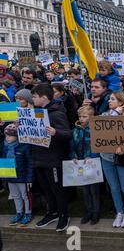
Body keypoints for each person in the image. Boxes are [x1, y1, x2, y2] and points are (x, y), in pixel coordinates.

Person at [31, 84, 72, 232]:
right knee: (46, 189)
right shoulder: (35, 113)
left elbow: (67, 134)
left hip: (53, 159)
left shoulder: (57, 113)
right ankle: (52, 212)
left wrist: (56, 132)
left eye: (35, 96)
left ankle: (63, 215)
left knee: (57, 189)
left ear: (44, 97)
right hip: (38, 158)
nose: (33, 99)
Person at [100, 91, 124, 228]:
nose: (109, 101)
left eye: (113, 99)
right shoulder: (105, 115)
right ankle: (119, 212)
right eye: (109, 99)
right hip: (106, 157)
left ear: (121, 102)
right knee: (114, 187)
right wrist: (115, 114)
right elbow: (104, 128)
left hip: (122, 157)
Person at [69, 105, 101, 225]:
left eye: (84, 116)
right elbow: (71, 146)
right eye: (80, 116)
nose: (81, 119)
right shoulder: (75, 130)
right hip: (80, 164)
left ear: (91, 117)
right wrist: (73, 156)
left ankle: (96, 212)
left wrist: (91, 156)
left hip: (92, 163)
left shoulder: (95, 129)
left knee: (94, 189)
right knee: (85, 190)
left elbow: (97, 146)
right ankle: (88, 211)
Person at [3, 123, 34, 226]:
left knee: (25, 196)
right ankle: (19, 212)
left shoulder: (24, 146)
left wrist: (29, 178)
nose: (8, 138)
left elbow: (29, 163)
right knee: (16, 196)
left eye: (10, 136)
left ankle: (28, 213)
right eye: (7, 135)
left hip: (22, 176)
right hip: (10, 176)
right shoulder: (4, 146)